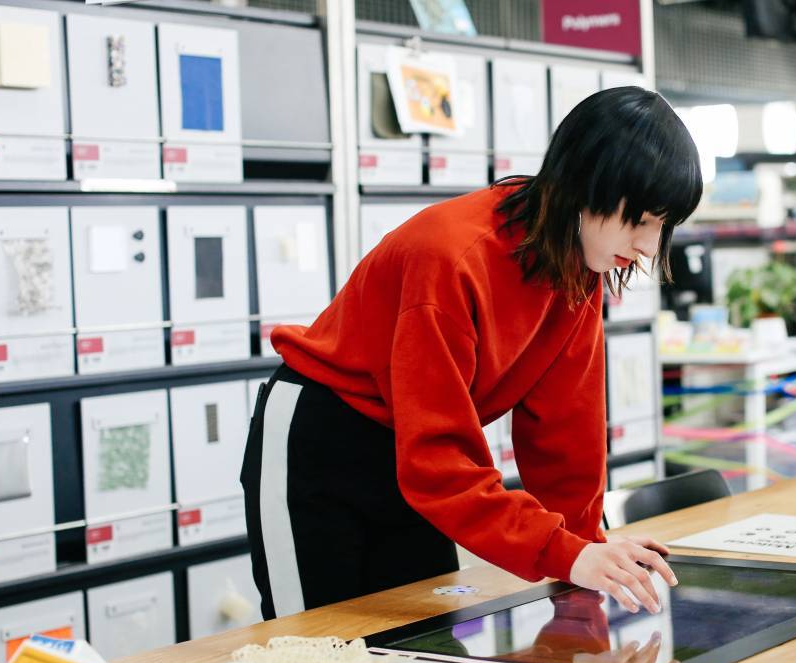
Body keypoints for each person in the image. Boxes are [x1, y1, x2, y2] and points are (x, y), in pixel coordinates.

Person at [240, 86, 702, 622]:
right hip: (320, 441)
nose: (650, 245)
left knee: (422, 640)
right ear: (586, 184)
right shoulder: (453, 256)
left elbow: (565, 439)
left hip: (412, 455)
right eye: (641, 220)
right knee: (317, 649)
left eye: (663, 227)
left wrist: (587, 554)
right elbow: (438, 458)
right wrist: (564, 553)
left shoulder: (580, 271)